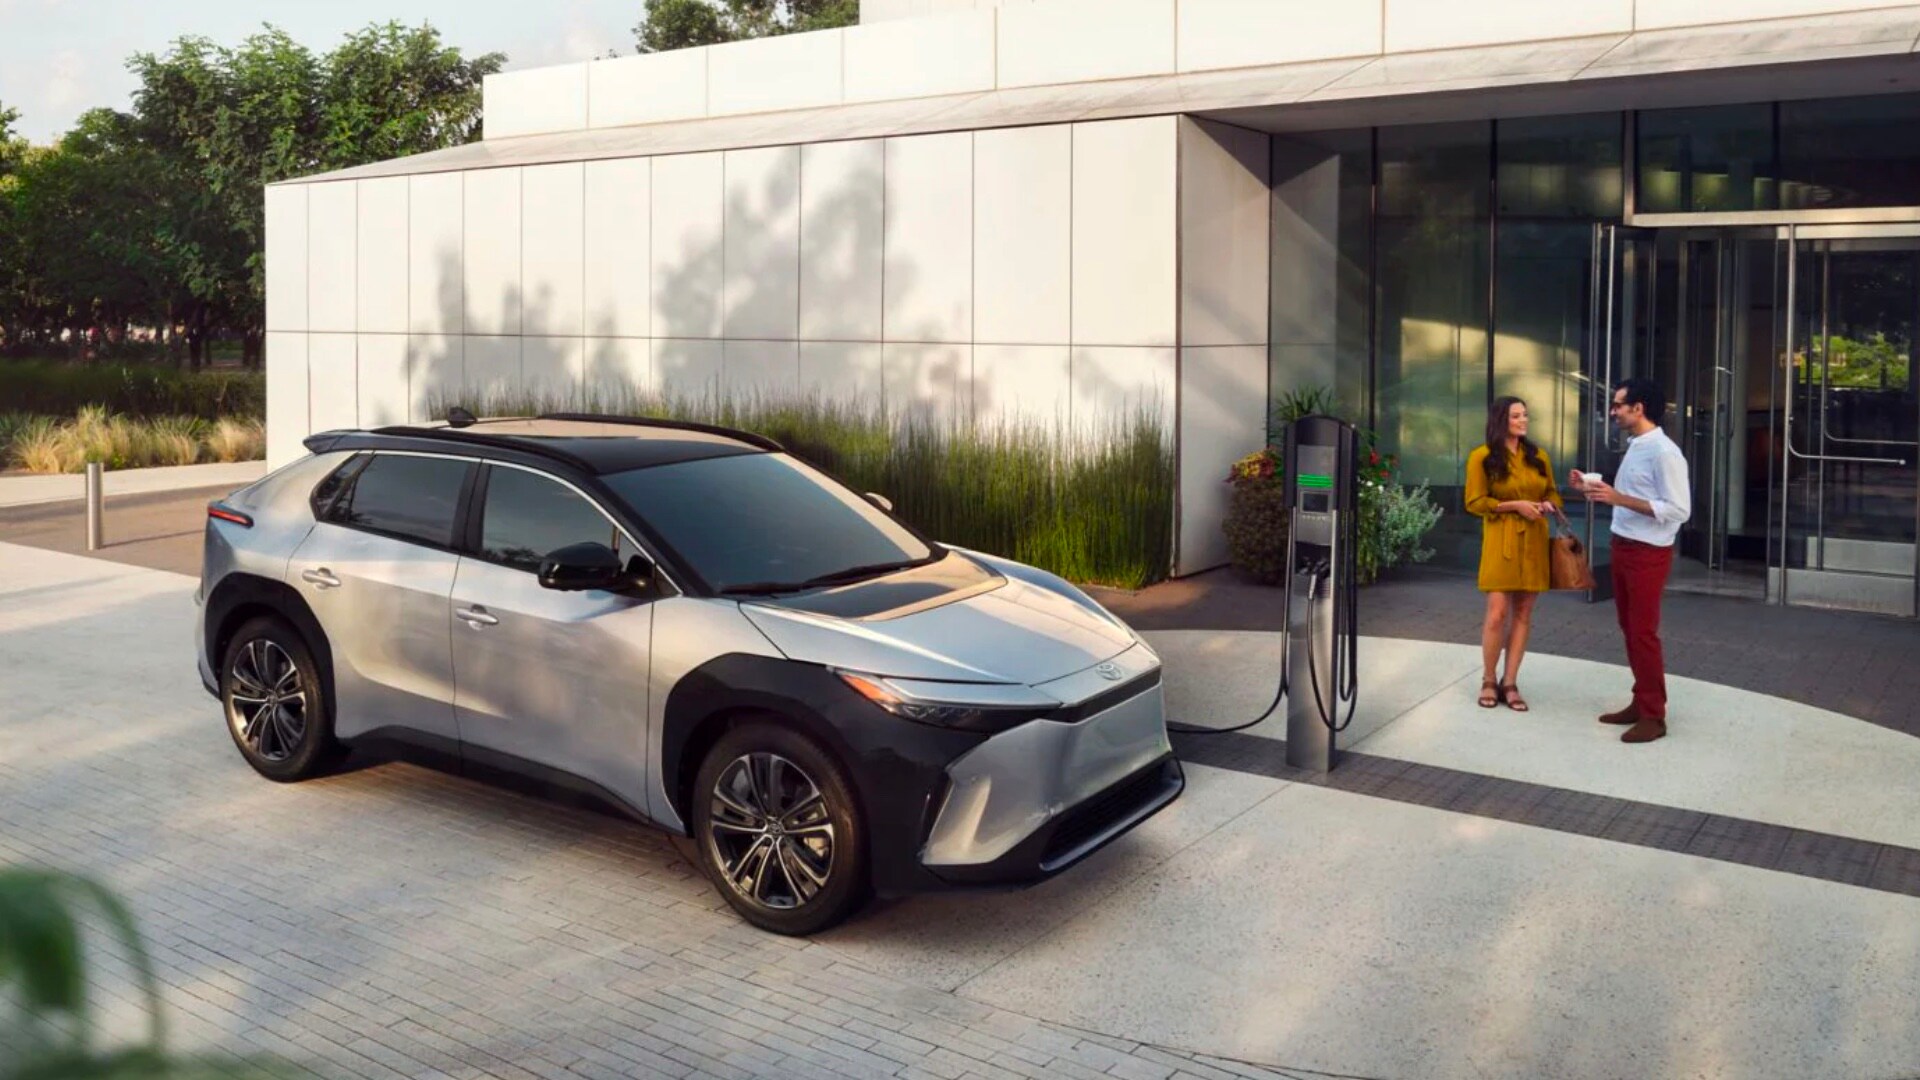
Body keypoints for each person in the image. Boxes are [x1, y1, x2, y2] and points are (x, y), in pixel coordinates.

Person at [1572, 377, 1692, 744]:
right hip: (1625, 545)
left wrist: (1618, 499)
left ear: (1638, 408)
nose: (1613, 410)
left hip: (1647, 552)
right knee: (1631, 628)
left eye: (1619, 404)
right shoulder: (1638, 446)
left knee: (1642, 632)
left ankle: (1654, 716)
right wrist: (1596, 490)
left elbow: (1679, 510)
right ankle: (1642, 703)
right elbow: (1631, 494)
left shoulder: (1664, 452)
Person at [1464, 396, 1562, 712]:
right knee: (1497, 613)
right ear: (1501, 420)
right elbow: (1475, 502)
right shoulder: (1481, 457)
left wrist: (1548, 504)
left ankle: (1510, 682)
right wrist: (1514, 506)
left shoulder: (1539, 456)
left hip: (1534, 539)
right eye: (1516, 415)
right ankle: (1489, 679)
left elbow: (1552, 492)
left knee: (1523, 614)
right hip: (1501, 538)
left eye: (1526, 415)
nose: (1523, 420)